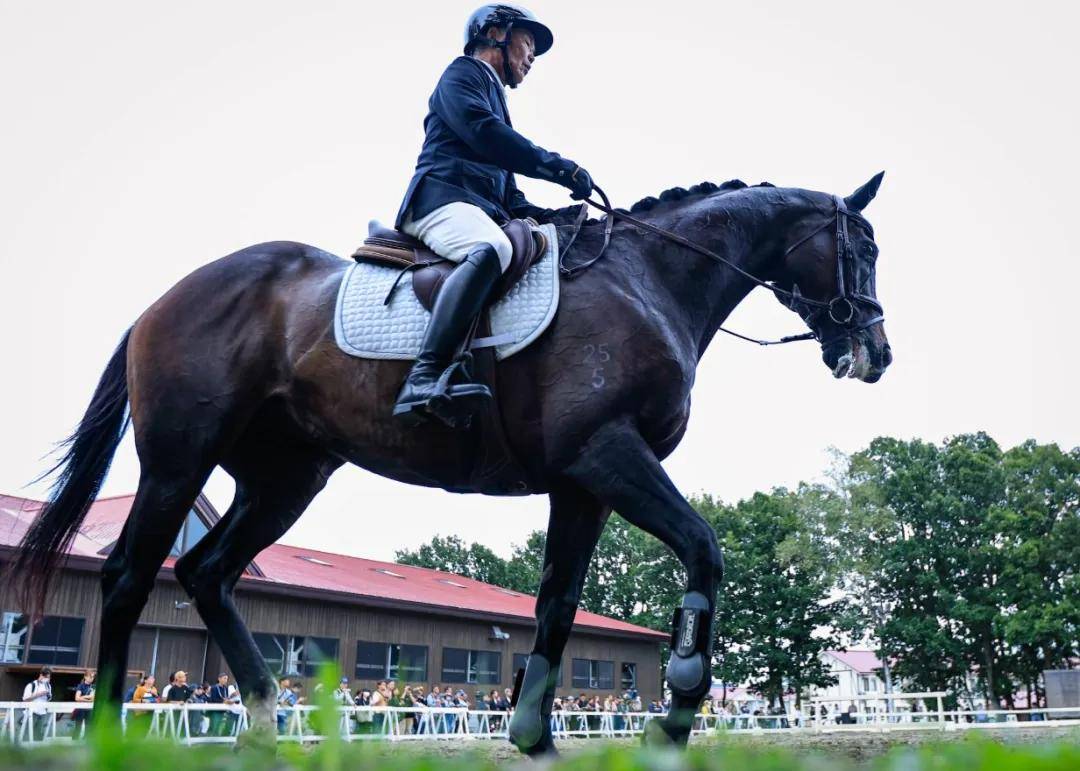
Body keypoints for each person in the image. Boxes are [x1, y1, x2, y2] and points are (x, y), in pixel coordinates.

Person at [391, 4, 594, 425]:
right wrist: (556, 166)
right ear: (496, 33)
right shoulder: (462, 74)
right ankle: (423, 377)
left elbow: (510, 199)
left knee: (515, 238)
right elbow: (484, 132)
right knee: (491, 247)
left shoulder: (495, 98)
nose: (532, 56)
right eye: (528, 43)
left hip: (474, 207)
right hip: (439, 201)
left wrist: (563, 218)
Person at [22, 667, 52, 740]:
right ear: (41, 675)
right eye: (46, 677)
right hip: (32, 712)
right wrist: (38, 694)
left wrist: (48, 696)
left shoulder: (48, 686)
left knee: (39, 734)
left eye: (49, 677)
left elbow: (49, 698)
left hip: (43, 712)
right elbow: (25, 699)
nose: (47, 679)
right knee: (27, 734)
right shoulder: (32, 685)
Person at [72, 670, 95, 735]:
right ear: (85, 677)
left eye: (93, 677)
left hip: (89, 709)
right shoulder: (80, 686)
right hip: (80, 709)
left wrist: (82, 697)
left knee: (88, 727)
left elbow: (93, 698)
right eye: (90, 677)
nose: (92, 679)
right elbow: (77, 698)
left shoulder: (93, 687)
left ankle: (86, 743)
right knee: (78, 727)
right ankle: (75, 741)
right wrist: (87, 697)